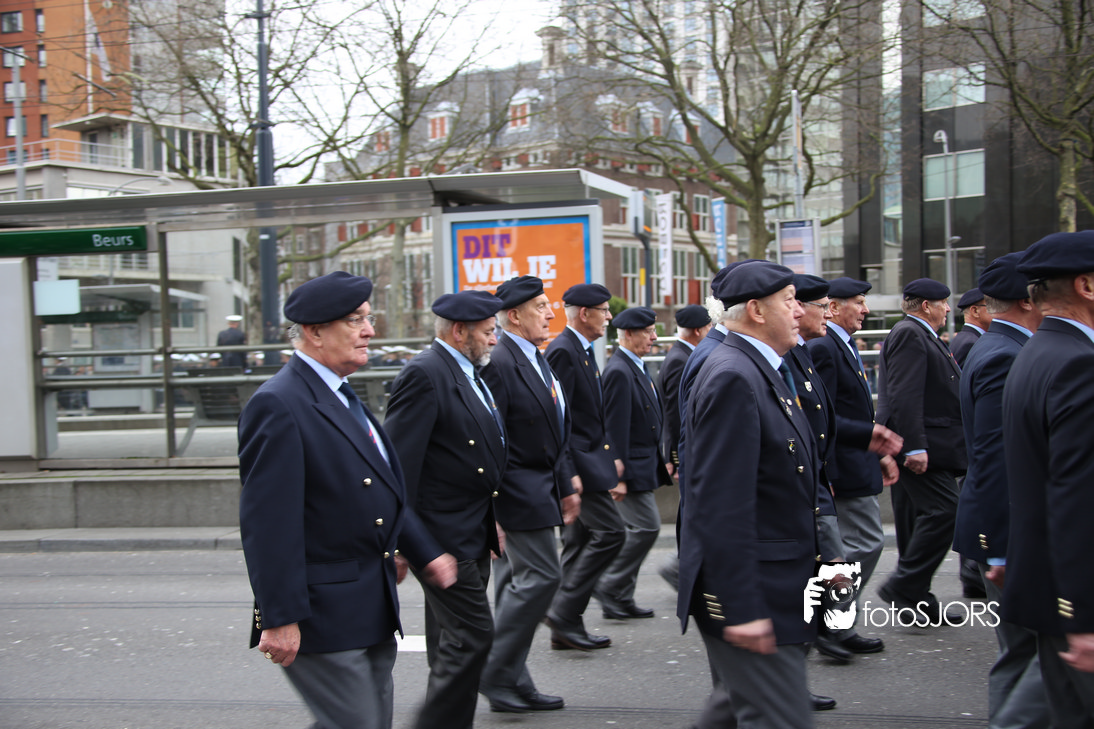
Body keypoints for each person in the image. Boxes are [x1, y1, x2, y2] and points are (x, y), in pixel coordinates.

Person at [237, 271, 457, 729]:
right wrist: (279, 616)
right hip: (322, 614)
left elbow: (380, 485)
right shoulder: (279, 403)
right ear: (315, 332)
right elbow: (268, 523)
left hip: (369, 605)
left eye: (368, 318)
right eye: (355, 320)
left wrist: (425, 552)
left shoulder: (338, 393)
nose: (369, 331)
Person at [679, 260, 818, 729]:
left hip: (777, 581)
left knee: (735, 711)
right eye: (789, 301)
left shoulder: (758, 367)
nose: (800, 311)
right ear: (756, 311)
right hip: (758, 589)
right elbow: (721, 503)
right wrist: (740, 607)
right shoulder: (734, 376)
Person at [382, 290, 508, 729]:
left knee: (454, 645)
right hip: (441, 537)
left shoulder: (467, 371)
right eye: (488, 332)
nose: (494, 340)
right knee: (473, 636)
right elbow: (398, 468)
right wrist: (404, 544)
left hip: (472, 528)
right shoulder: (425, 373)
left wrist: (492, 520)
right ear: (459, 332)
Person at [952, 253, 1049, 729]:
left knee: (1024, 654)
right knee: (1027, 655)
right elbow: (997, 457)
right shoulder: (1006, 355)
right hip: (1009, 533)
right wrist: (1000, 550)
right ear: (1027, 299)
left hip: (1003, 528)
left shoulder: (999, 346)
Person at [1003, 231, 1094, 726]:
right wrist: (1082, 614)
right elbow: (1076, 496)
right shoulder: (1080, 363)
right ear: (1086, 286)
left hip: (1052, 589)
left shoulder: (1039, 353)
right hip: (1076, 598)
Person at [478, 275, 580, 714]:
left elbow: (555, 428)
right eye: (541, 307)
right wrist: (493, 508)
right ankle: (494, 671)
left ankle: (513, 680)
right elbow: (491, 440)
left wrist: (565, 484)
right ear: (515, 317)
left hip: (540, 486)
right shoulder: (500, 363)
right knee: (542, 576)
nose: (551, 313)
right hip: (517, 491)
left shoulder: (536, 357)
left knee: (514, 586)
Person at [806, 278, 901, 651]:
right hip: (843, 466)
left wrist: (879, 453)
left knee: (856, 544)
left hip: (857, 461)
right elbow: (821, 417)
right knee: (865, 543)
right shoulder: (825, 347)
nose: (865, 310)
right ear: (833, 307)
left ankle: (834, 621)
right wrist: (830, 468)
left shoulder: (840, 344)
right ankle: (832, 619)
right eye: (858, 302)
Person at [876, 278, 966, 626]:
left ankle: (916, 598)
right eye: (944, 303)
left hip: (928, 445)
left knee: (917, 521)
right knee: (946, 510)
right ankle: (904, 585)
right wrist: (914, 446)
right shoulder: (910, 333)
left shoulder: (920, 334)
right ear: (927, 306)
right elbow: (905, 394)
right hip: (920, 447)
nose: (948, 309)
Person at [544, 283, 624, 651]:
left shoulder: (582, 349)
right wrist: (569, 471)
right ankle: (563, 612)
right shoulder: (564, 350)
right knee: (611, 533)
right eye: (604, 311)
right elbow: (559, 418)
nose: (609, 317)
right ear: (584, 313)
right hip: (579, 465)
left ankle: (565, 627)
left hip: (590, 461)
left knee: (578, 543)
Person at [596, 306, 673, 620]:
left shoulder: (634, 366)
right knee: (646, 527)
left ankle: (620, 596)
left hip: (643, 464)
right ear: (628, 334)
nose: (654, 337)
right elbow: (613, 427)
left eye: (654, 331)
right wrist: (617, 476)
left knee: (638, 529)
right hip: (629, 468)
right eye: (648, 332)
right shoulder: (619, 370)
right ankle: (609, 583)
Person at [658, 304, 712, 471]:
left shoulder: (683, 355)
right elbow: (676, 412)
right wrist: (678, 457)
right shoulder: (680, 360)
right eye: (709, 326)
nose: (711, 331)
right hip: (684, 454)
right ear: (698, 331)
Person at [951, 287, 990, 367]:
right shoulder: (971, 343)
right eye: (991, 306)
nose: (997, 311)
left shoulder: (963, 338)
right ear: (975, 311)